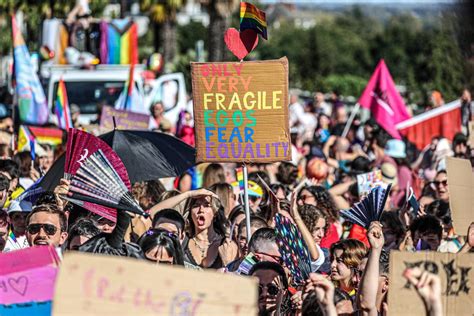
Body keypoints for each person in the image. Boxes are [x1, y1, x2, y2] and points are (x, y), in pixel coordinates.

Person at [182, 194, 238, 269]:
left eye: (207, 205)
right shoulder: (182, 241)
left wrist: (226, 262)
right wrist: (189, 194)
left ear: (215, 213)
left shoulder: (227, 245)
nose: (201, 210)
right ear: (190, 213)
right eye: (196, 206)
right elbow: (161, 210)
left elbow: (236, 277)